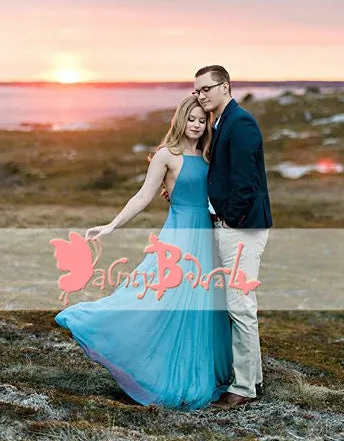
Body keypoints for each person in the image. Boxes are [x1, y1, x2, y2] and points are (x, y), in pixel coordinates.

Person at [54, 96, 233, 410]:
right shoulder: (167, 155)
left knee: (205, 306)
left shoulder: (208, 154)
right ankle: (153, 366)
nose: (196, 125)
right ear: (181, 120)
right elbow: (143, 196)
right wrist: (112, 225)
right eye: (191, 119)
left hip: (207, 238)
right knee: (161, 299)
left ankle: (199, 372)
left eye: (201, 120)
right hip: (179, 237)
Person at [192, 65, 273, 409]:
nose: (201, 95)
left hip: (240, 229)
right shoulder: (221, 122)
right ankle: (251, 377)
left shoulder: (240, 123)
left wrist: (230, 219)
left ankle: (242, 388)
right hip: (232, 227)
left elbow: (245, 181)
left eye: (206, 89)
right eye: (197, 91)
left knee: (240, 307)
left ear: (225, 86)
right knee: (238, 306)